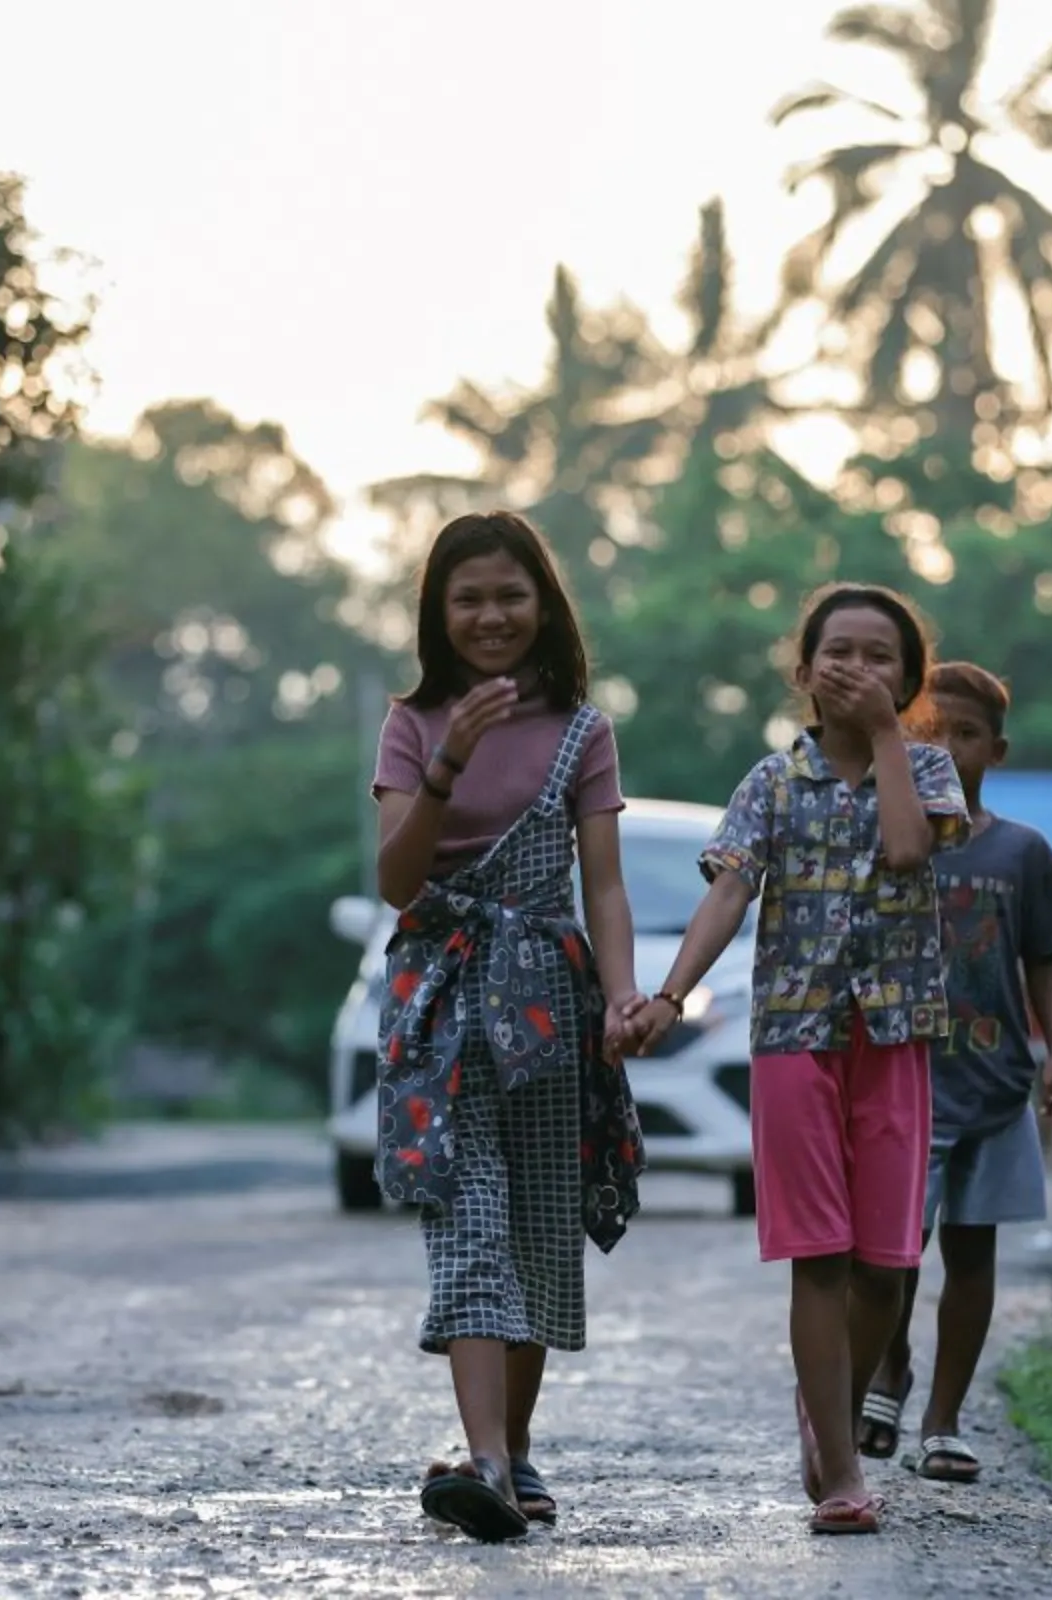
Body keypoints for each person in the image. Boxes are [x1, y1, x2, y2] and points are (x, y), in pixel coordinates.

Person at [632, 583, 969, 1536]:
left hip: (895, 1033)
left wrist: (891, 739)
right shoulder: (768, 785)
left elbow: (907, 852)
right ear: (802, 671)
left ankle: (827, 1417)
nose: (857, 667)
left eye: (880, 657)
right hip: (795, 1033)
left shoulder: (930, 770)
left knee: (886, 1267)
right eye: (839, 651)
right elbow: (730, 895)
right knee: (817, 1258)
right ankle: (840, 1471)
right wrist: (668, 995)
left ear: (907, 681)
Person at [369, 510, 651, 1544]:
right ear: (439, 613)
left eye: (510, 594)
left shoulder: (585, 728)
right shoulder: (412, 723)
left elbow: (606, 886)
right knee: (470, 1220)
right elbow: (398, 880)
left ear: (545, 604)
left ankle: (514, 1451)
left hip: (547, 1003)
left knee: (535, 1226)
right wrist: (449, 760)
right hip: (441, 1005)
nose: (491, 616)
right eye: (468, 598)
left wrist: (623, 996)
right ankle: (485, 1457)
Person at [854, 662, 1052, 1482]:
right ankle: (889, 1368)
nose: (944, 747)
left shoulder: (1024, 853)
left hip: (991, 1087)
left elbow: (1043, 962)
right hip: (904, 1081)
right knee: (892, 1252)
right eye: (925, 730)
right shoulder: (886, 836)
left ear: (999, 749)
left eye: (966, 733)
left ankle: (943, 1420)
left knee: (972, 1253)